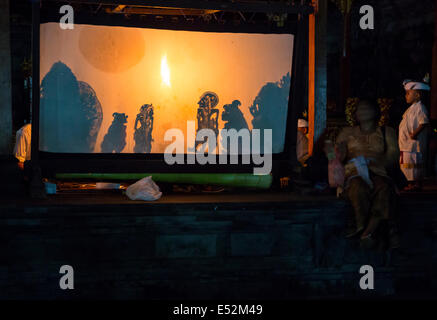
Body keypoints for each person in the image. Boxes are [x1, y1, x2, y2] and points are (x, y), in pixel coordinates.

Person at [328, 100, 400, 249]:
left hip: (378, 170)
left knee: (383, 189)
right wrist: (336, 153)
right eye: (359, 109)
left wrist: (376, 161)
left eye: (366, 108)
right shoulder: (347, 132)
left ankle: (369, 231)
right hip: (354, 171)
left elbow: (393, 154)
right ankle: (360, 226)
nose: (362, 112)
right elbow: (337, 155)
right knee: (357, 188)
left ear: (375, 112)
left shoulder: (387, 131)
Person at [398, 79, 430, 191]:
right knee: (408, 163)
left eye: (408, 93)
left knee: (414, 163)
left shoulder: (420, 108)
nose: (406, 96)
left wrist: (414, 134)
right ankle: (411, 183)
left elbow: (424, 122)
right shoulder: (411, 108)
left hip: (413, 144)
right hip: (407, 144)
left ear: (417, 95)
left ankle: (415, 183)